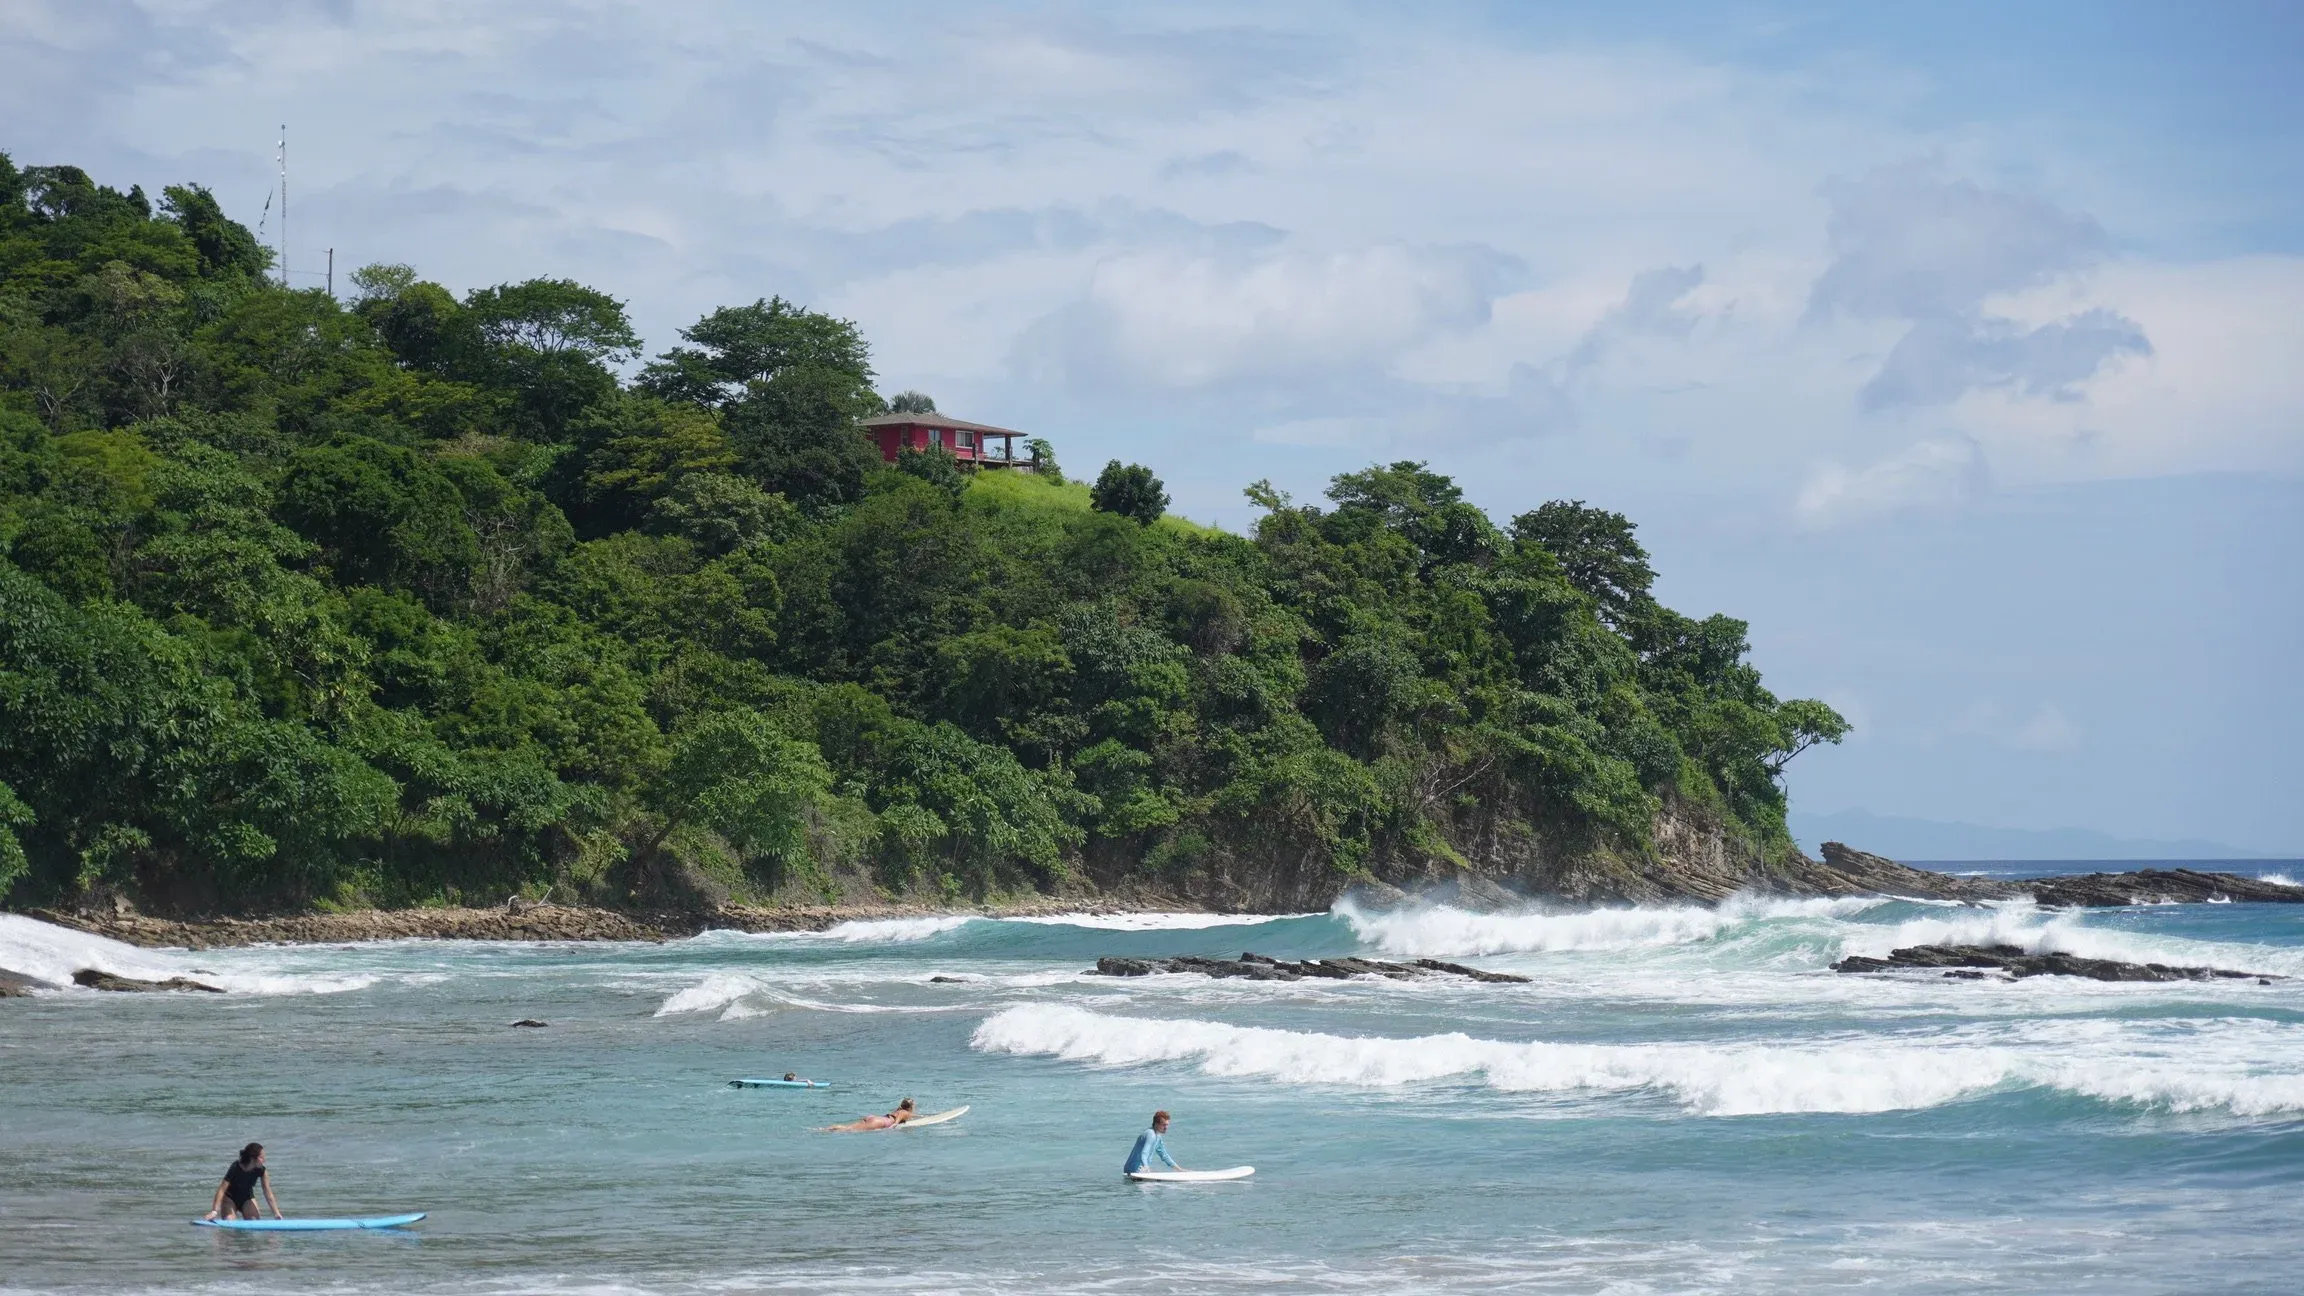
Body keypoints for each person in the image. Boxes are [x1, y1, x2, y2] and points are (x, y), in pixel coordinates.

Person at [203, 1143, 282, 1221]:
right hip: (230, 1199)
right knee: (230, 1222)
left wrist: (276, 1213)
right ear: (252, 1158)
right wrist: (214, 1211)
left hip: (247, 1199)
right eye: (261, 1157)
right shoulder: (235, 1167)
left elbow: (268, 1192)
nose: (264, 1160)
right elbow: (222, 1189)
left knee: (254, 1221)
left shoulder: (262, 1170)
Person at [1124, 1110, 1183, 1175]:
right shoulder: (1150, 1134)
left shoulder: (1158, 1136)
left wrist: (1179, 1169)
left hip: (1139, 1171)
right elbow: (1144, 1153)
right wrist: (1146, 1166)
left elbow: (1164, 1155)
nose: (1166, 1128)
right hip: (1133, 1172)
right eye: (1163, 1125)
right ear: (1156, 1124)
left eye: (1167, 1125)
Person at [825, 1097, 915, 1132]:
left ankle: (825, 1129)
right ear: (910, 1107)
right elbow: (896, 1123)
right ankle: (823, 1130)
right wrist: (889, 1131)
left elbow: (911, 1116)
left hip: (875, 1118)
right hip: (880, 1122)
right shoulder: (905, 1112)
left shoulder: (898, 1110)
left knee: (847, 1127)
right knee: (848, 1130)